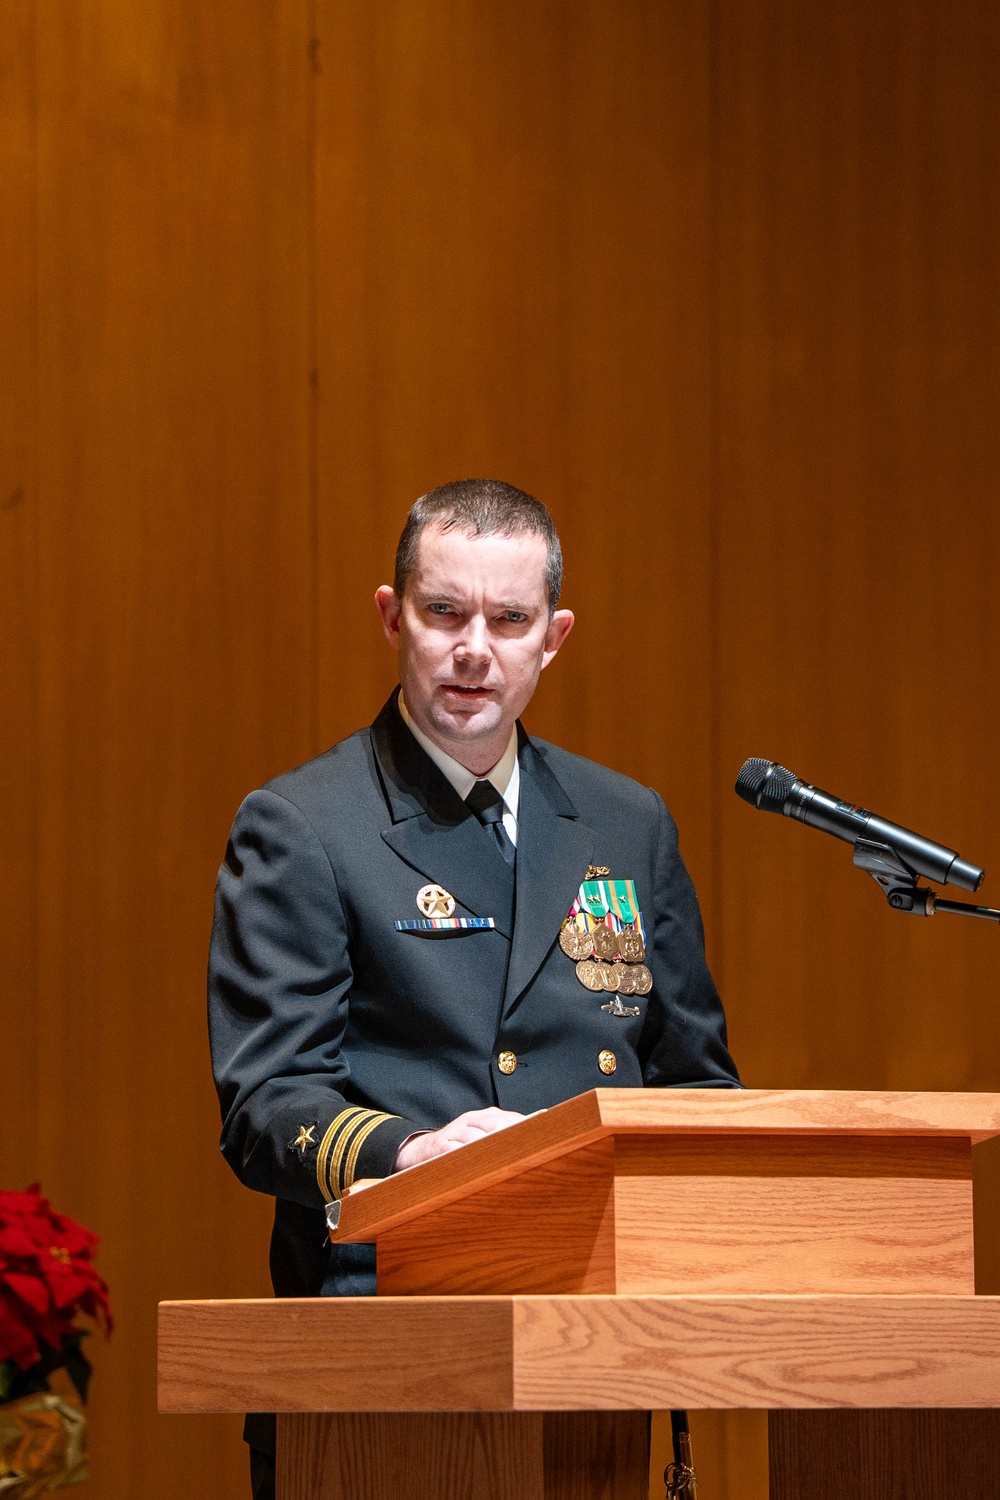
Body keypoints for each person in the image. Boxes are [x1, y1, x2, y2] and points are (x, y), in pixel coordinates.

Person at [208, 478, 740, 1498]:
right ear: (391, 614)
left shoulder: (626, 822)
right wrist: (413, 1152)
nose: (473, 649)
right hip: (383, 1348)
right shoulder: (304, 825)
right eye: (444, 612)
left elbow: (695, 1085)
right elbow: (264, 1106)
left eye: (508, 619)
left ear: (554, 635)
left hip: (592, 1345)